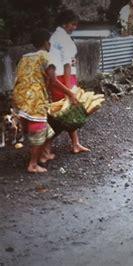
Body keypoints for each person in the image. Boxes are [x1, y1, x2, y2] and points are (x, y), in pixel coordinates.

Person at [12, 29, 79, 173]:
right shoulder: (47, 57)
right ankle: (33, 164)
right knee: (39, 130)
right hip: (34, 98)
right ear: (47, 43)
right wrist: (70, 94)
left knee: (43, 128)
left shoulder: (25, 57)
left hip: (20, 96)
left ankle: (44, 155)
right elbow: (53, 81)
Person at [49, 9, 90, 154]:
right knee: (63, 115)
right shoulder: (62, 38)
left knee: (69, 113)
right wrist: (68, 90)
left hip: (64, 76)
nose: (75, 27)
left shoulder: (57, 36)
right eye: (72, 24)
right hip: (63, 78)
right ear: (64, 24)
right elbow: (66, 64)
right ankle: (44, 146)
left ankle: (75, 143)